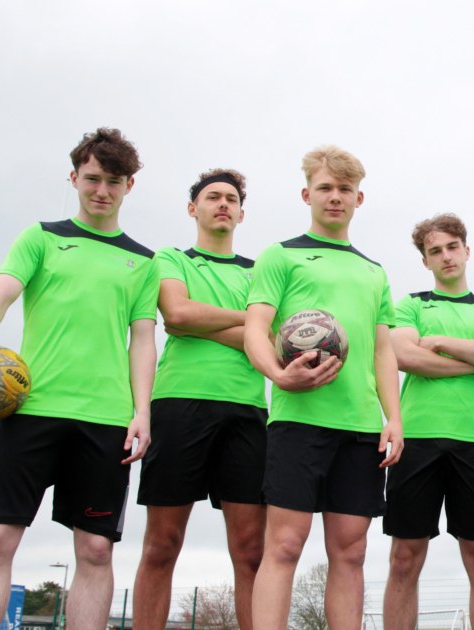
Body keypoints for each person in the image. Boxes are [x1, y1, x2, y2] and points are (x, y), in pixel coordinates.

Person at [0, 128, 158, 630]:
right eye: (92, 179)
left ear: (129, 186)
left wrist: (142, 412)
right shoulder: (41, 237)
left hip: (104, 420)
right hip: (31, 410)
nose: (101, 191)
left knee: (96, 550)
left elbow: (143, 340)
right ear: (74, 177)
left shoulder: (144, 261)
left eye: (113, 181)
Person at [243, 145, 404, 630]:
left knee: (351, 553)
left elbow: (383, 352)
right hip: (298, 421)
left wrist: (393, 420)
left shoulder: (374, 271)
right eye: (325, 188)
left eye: (344, 190)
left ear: (359, 198)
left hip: (359, 428)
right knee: (284, 546)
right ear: (306, 194)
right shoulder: (280, 256)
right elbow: (256, 329)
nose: (335, 198)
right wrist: (277, 373)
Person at [132, 169, 266, 630]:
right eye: (213, 197)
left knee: (251, 551)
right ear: (194, 208)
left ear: (242, 213)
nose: (222, 203)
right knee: (162, 544)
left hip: (248, 411)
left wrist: (247, 330)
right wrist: (251, 322)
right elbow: (177, 313)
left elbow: (269, 340)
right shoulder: (172, 258)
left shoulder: (260, 271)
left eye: (231, 198)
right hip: (179, 403)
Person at [381, 214, 474, 630]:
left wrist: (437, 342)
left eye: (452, 247)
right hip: (416, 439)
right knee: (404, 559)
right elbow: (404, 356)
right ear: (426, 261)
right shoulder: (409, 305)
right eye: (434, 251)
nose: (446, 256)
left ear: (467, 251)